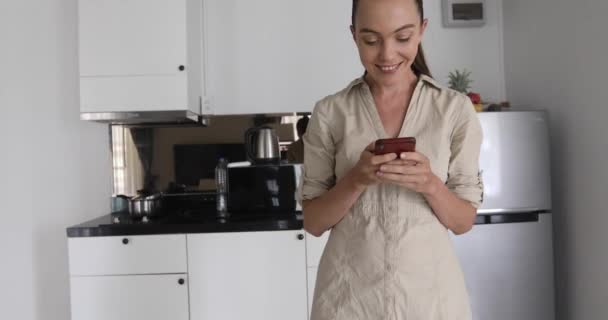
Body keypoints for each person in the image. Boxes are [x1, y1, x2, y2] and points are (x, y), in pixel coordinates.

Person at [299, 0, 484, 319]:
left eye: (402, 38)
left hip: (430, 301)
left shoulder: (453, 110)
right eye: (371, 40)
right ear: (354, 35)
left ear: (422, 31)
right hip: (348, 302)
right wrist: (356, 179)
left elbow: (463, 221)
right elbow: (314, 222)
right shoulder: (331, 112)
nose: (386, 54)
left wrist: (429, 184)